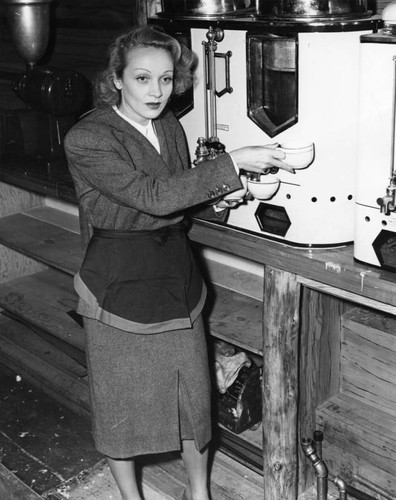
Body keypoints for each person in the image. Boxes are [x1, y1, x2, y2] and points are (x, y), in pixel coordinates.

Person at [64, 25, 292, 500]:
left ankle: (199, 492)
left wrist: (230, 195)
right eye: (143, 78)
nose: (156, 91)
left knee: (193, 400)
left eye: (166, 80)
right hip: (118, 283)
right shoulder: (88, 138)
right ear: (117, 79)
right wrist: (233, 163)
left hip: (177, 281)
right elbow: (152, 196)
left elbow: (178, 204)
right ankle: (132, 497)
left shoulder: (169, 126)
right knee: (119, 404)